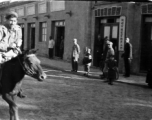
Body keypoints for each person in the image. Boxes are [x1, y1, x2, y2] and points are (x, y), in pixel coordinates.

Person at [0, 11, 25, 98]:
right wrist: (9, 45)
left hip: (13, 52)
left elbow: (19, 39)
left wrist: (18, 44)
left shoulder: (18, 28)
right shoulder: (1, 29)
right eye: (11, 20)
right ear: (6, 20)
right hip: (1, 52)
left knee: (21, 66)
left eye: (15, 21)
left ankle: (18, 88)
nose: (13, 23)